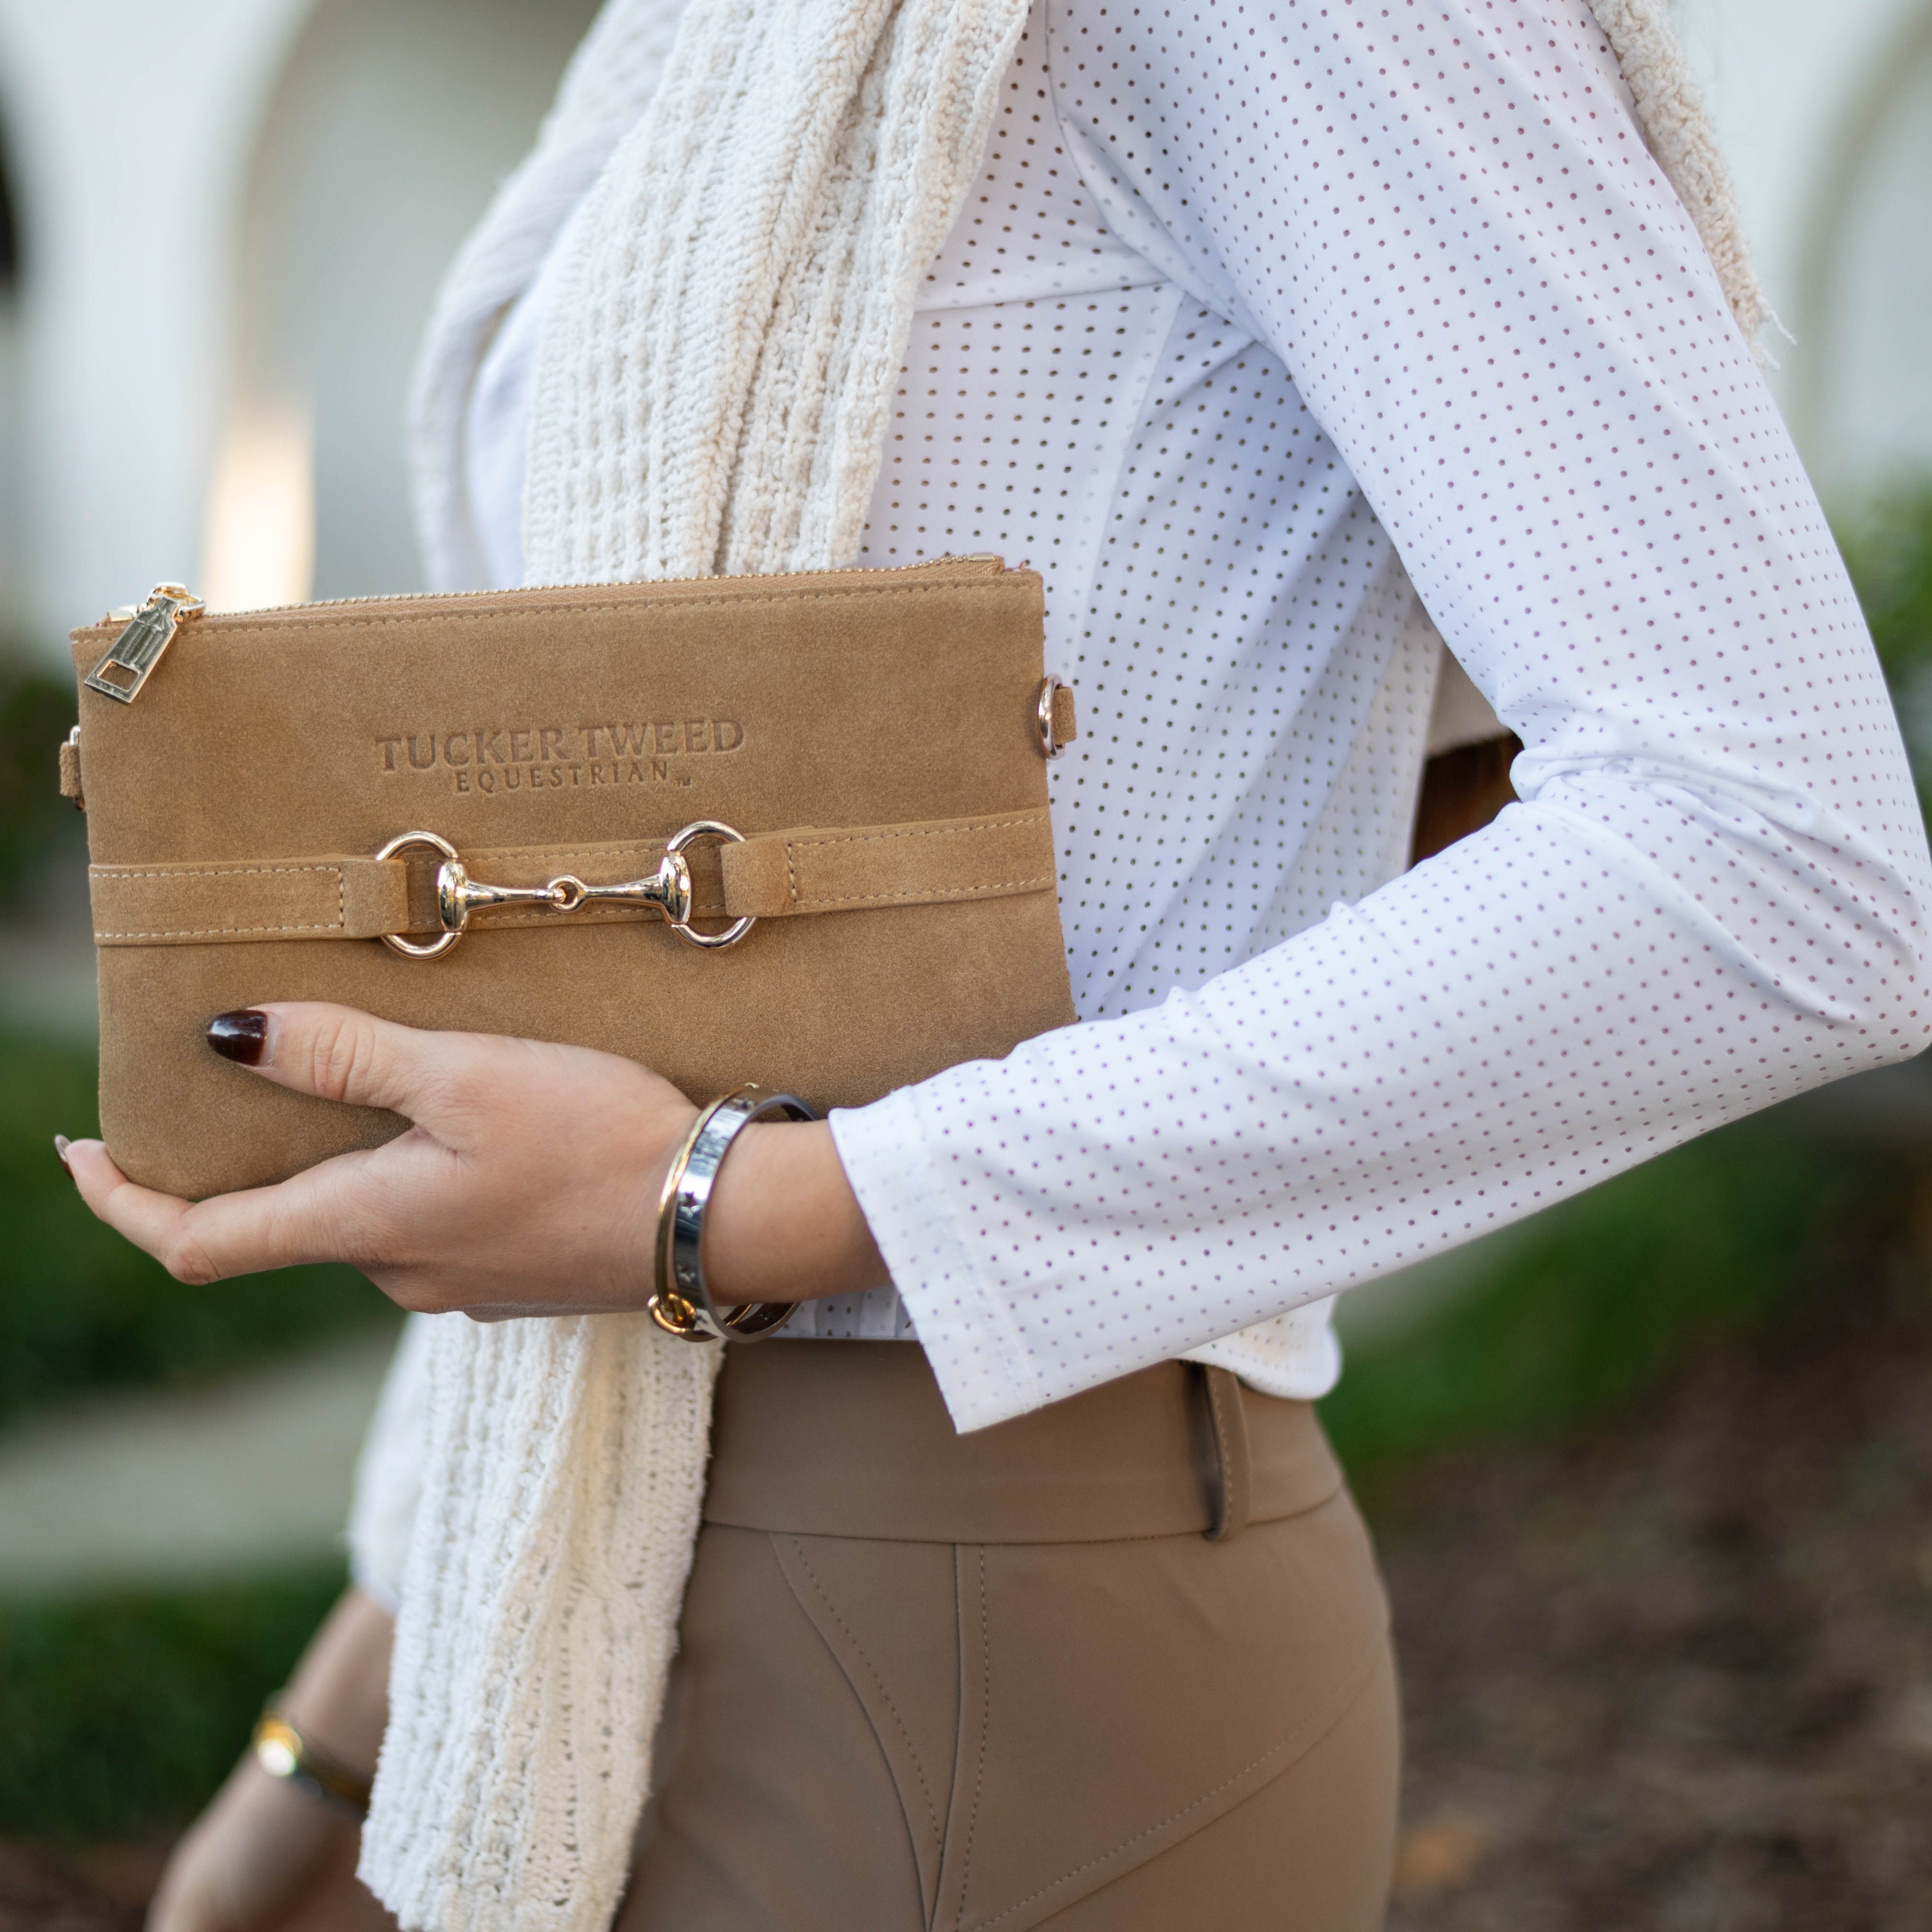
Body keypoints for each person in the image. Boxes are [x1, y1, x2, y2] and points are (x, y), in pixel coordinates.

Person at [62, 0, 1932, 1928]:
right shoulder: (696, 40)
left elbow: (1777, 858)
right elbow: (611, 1042)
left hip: (973, 1606)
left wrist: (729, 1203)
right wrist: (341, 1727)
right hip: (574, 1584)